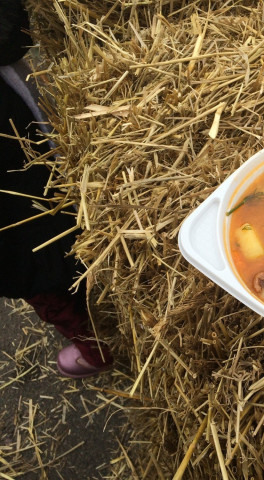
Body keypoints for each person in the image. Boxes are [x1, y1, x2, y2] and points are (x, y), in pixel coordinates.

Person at [1, 0, 112, 378]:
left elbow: (12, 34)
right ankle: (96, 337)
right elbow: (12, 34)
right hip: (25, 184)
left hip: (24, 199)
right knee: (53, 265)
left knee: (50, 278)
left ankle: (96, 346)